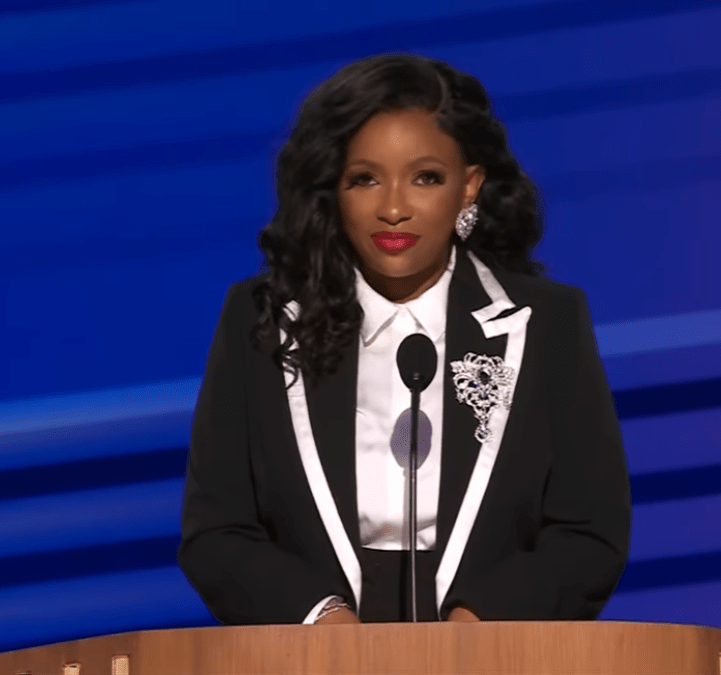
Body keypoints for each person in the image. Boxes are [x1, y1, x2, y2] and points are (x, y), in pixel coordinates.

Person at [178, 53, 630, 625]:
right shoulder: (261, 317)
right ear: (333, 191)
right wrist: (321, 623)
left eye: (426, 177)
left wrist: (479, 627)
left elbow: (588, 533)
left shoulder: (548, 323)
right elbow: (217, 531)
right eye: (364, 178)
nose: (393, 208)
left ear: (470, 186)